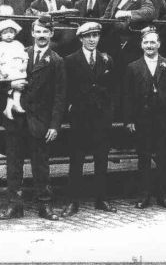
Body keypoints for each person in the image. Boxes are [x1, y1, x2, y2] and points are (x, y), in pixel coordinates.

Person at [0, 16, 66, 222]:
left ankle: (45, 205)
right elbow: (2, 79)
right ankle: (14, 206)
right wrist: (11, 86)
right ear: (32, 33)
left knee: (41, 165)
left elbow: (60, 96)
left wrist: (54, 125)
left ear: (51, 34)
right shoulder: (20, 54)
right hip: (17, 119)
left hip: (40, 122)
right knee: (14, 164)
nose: (42, 35)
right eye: (38, 31)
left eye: (46, 32)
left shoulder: (56, 61)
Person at [61, 22, 117, 216]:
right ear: (81, 39)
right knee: (76, 159)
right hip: (80, 116)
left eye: (95, 36)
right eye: (88, 36)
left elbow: (112, 88)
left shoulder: (107, 59)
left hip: (101, 117)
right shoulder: (70, 60)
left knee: (101, 158)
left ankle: (101, 199)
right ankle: (72, 201)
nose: (92, 39)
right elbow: (65, 90)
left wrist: (108, 110)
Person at [124, 27, 166, 209]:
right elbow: (128, 96)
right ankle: (144, 195)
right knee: (144, 158)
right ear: (141, 45)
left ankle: (164, 195)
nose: (149, 45)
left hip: (163, 119)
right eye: (146, 42)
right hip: (143, 120)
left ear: (159, 44)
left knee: (163, 158)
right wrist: (129, 120)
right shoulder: (133, 67)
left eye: (153, 42)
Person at [0, 19, 28, 120]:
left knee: (19, 84)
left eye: (11, 32)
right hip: (5, 71)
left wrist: (23, 65)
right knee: (9, 87)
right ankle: (10, 105)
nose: (8, 35)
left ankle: (13, 104)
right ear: (0, 35)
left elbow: (25, 57)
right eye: (5, 33)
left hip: (17, 69)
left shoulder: (18, 44)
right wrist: (1, 70)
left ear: (15, 33)